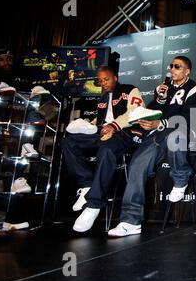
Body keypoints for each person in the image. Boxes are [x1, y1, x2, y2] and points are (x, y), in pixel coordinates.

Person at [74, 56, 196, 236]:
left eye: (178, 66)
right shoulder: (164, 89)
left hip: (180, 134)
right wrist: (159, 101)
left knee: (175, 136)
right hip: (156, 136)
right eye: (171, 66)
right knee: (136, 165)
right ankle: (131, 221)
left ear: (187, 71)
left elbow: (190, 118)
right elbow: (150, 111)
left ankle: (181, 175)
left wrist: (160, 124)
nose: (173, 69)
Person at [62, 66, 145, 229]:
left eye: (106, 79)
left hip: (125, 135)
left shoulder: (129, 90)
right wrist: (87, 126)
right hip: (103, 133)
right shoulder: (102, 99)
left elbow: (136, 112)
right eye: (100, 81)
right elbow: (100, 122)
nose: (103, 83)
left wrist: (114, 125)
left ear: (115, 77)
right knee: (68, 142)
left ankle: (94, 204)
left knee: (106, 149)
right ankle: (87, 185)